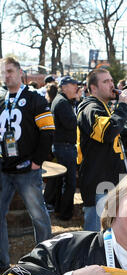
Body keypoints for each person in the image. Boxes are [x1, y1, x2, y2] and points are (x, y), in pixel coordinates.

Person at [0, 56, 54, 275]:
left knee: (38, 215)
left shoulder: (34, 97)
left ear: (20, 72)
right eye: (3, 72)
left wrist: (37, 161)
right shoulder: (1, 99)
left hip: (27, 169)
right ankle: (2, 264)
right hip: (4, 169)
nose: (6, 75)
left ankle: (46, 262)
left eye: (10, 71)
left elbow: (48, 130)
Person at [77, 67, 127, 231]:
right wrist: (122, 105)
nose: (112, 84)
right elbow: (108, 132)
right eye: (106, 81)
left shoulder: (104, 106)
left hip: (110, 181)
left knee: (111, 232)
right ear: (93, 88)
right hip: (99, 183)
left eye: (111, 80)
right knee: (96, 236)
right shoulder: (90, 108)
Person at [44, 76, 79, 221]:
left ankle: (60, 209)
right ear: (64, 87)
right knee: (69, 182)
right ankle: (65, 213)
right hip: (64, 146)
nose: (76, 87)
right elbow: (71, 123)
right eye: (73, 85)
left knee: (61, 181)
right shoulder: (62, 102)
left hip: (61, 146)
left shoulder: (61, 100)